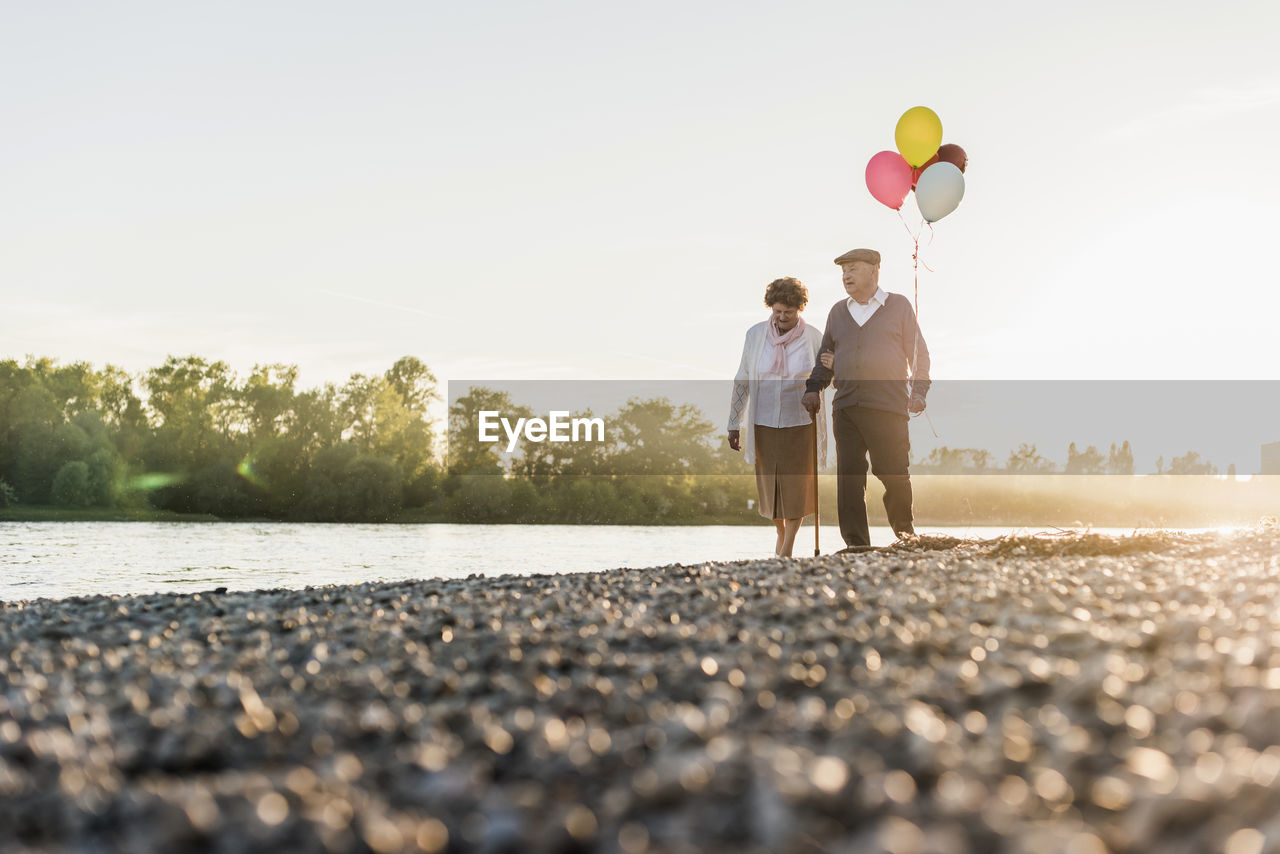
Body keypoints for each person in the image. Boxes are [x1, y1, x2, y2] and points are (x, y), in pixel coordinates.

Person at [801, 248, 930, 548]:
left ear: (874, 270)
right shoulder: (837, 311)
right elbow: (825, 357)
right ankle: (856, 545)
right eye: (843, 270)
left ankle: (906, 536)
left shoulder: (898, 306)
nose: (846, 275)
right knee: (849, 477)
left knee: (893, 471)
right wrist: (812, 388)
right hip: (846, 406)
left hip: (888, 406)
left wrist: (919, 391)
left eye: (853, 268)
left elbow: (919, 354)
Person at [728, 277, 828, 557]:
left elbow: (825, 378)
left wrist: (817, 389)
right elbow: (743, 379)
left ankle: (788, 547)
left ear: (800, 309)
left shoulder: (814, 338)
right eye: (777, 311)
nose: (782, 317)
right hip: (764, 420)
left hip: (800, 421)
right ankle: (780, 530)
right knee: (770, 485)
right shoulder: (755, 335)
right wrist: (733, 422)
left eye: (789, 312)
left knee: (797, 486)